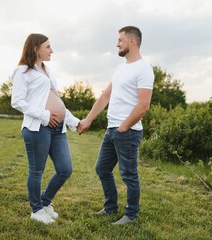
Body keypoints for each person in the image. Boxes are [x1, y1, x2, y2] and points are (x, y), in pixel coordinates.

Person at [78, 26, 154, 225]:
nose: (116, 44)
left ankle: (131, 215)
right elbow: (105, 96)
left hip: (127, 132)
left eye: (120, 40)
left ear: (132, 41)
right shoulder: (120, 68)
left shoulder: (144, 68)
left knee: (129, 175)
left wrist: (124, 126)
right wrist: (88, 119)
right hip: (111, 130)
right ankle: (110, 207)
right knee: (102, 169)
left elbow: (144, 105)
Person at [11, 33, 80, 224]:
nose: (52, 50)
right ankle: (36, 210)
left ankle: (45, 202)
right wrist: (44, 115)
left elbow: (57, 99)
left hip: (58, 129)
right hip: (37, 128)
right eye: (48, 46)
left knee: (65, 169)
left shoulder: (47, 71)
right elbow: (17, 101)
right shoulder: (23, 71)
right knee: (36, 171)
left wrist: (72, 120)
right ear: (35, 48)